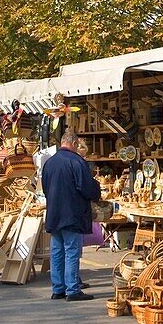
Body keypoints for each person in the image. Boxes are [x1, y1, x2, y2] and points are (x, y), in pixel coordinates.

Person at [41, 129, 101, 301]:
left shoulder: (49, 163)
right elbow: (87, 188)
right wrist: (96, 192)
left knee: (57, 252)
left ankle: (58, 288)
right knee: (72, 251)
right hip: (72, 214)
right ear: (74, 144)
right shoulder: (77, 161)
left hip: (54, 213)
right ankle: (72, 290)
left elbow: (45, 188)